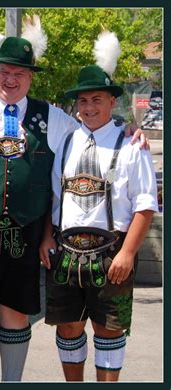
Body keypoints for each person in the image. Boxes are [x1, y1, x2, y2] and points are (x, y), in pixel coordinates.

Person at [0, 16, 145, 382]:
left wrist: (127, 126)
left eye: (20, 74)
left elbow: (96, 128)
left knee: (16, 314)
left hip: (26, 235)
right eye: (4, 72)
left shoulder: (55, 120)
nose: (11, 80)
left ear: (31, 77)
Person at [40, 31, 158, 382]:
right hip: (65, 248)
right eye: (83, 101)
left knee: (108, 329)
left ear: (111, 102)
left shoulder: (131, 144)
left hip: (112, 250)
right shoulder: (65, 142)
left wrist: (127, 253)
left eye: (97, 99)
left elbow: (145, 206)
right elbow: (55, 199)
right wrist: (47, 236)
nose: (89, 107)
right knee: (68, 327)